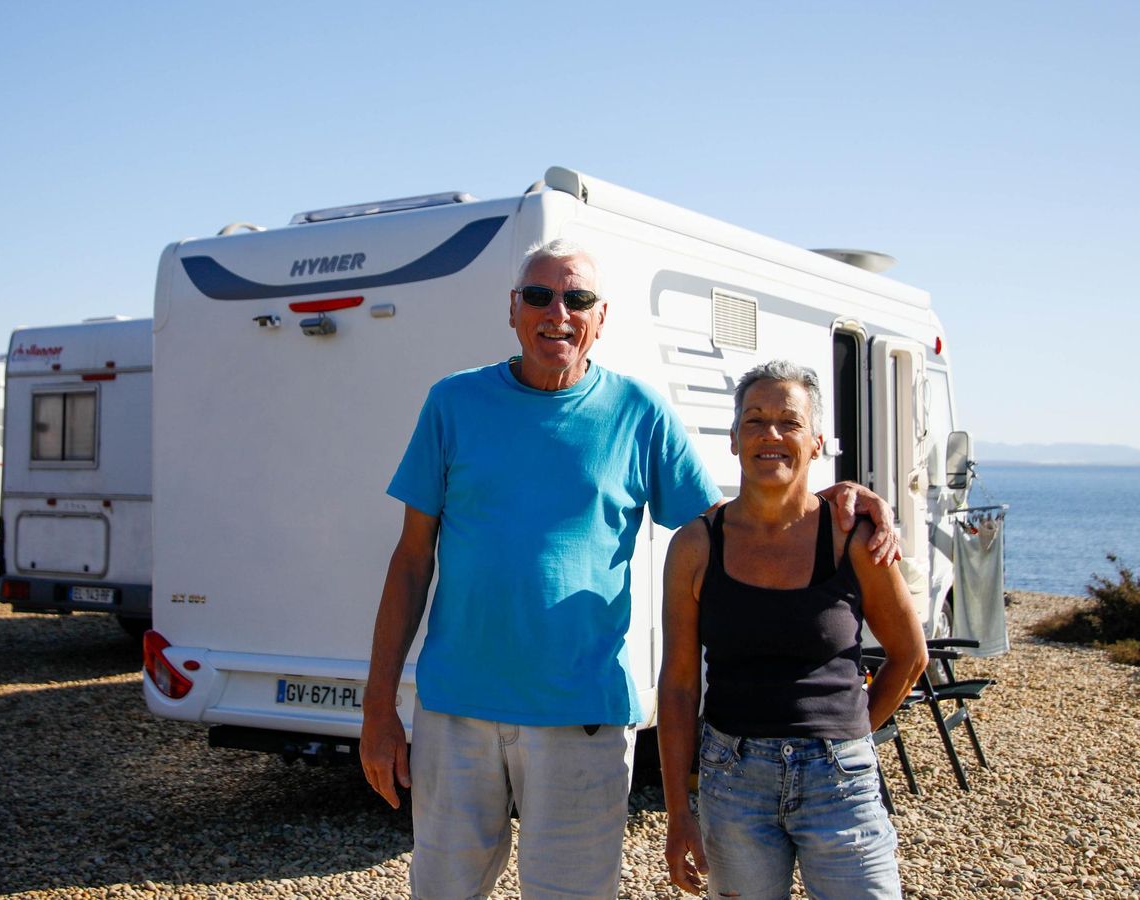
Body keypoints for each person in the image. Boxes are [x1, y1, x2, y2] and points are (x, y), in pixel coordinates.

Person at [360, 240, 899, 899]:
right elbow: (411, 560)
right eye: (540, 296)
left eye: (577, 298)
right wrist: (378, 706)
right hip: (454, 713)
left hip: (582, 717)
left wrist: (839, 498)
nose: (558, 312)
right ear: (512, 310)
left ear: (601, 317)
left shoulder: (637, 412)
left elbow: (733, 523)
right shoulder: (453, 403)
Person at [658, 360, 928, 900]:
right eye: (755, 421)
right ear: (734, 440)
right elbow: (680, 685)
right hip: (734, 782)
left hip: (840, 783)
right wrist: (678, 813)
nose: (771, 435)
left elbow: (909, 656)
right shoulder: (696, 545)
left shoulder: (854, 538)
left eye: (789, 422)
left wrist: (849, 734)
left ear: (816, 442)